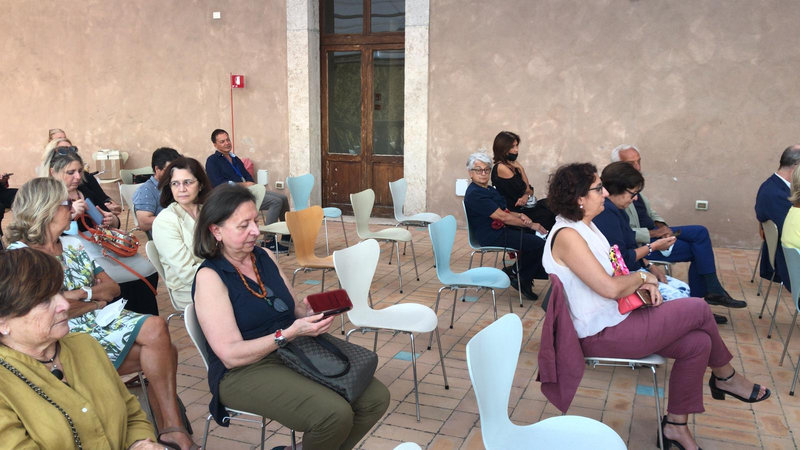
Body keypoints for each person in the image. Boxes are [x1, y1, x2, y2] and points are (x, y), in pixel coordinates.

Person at [545, 162, 770, 450]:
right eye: (598, 189)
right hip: (601, 332)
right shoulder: (568, 235)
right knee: (698, 308)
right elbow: (610, 287)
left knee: (698, 344)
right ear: (579, 197)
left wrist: (642, 281)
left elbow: (616, 271)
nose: (605, 193)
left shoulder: (586, 227)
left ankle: (676, 426)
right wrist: (643, 277)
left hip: (616, 318)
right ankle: (726, 377)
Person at [192, 184, 390, 450]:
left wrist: (308, 314)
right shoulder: (210, 277)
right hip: (243, 370)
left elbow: (292, 308)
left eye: (255, 221)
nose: (255, 231)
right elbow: (230, 355)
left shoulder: (263, 257)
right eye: (243, 226)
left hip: (292, 350)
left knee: (376, 398)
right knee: (333, 415)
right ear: (216, 231)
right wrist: (288, 334)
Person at [6, 178, 197, 449]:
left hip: (100, 320)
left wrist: (81, 296)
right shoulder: (20, 259)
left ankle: (167, 428)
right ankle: (170, 428)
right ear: (45, 208)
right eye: (67, 202)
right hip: (65, 334)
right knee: (164, 350)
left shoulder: (72, 244)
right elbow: (49, 309)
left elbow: (112, 288)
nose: (74, 206)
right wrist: (92, 299)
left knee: (157, 330)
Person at [0, 247, 162, 449]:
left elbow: (131, 413)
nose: (64, 305)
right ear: (3, 323)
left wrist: (139, 443)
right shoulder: (5, 383)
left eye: (59, 292)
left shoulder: (85, 345)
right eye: (44, 300)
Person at [593, 162, 740, 324]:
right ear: (617, 188)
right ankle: (704, 304)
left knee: (696, 245)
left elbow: (641, 228)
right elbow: (622, 258)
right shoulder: (607, 213)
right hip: (631, 271)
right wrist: (653, 247)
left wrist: (651, 265)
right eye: (633, 193)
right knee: (684, 294)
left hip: (640, 262)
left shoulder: (617, 210)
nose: (635, 198)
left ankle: (705, 301)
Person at [613, 144, 745, 307]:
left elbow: (650, 212)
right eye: (631, 164)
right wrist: (654, 235)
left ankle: (703, 300)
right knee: (698, 249)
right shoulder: (616, 192)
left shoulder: (633, 185)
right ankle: (705, 299)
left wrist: (662, 226)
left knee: (699, 233)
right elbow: (624, 234)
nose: (638, 167)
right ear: (617, 166)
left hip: (655, 233)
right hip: (644, 244)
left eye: (639, 162)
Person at [44, 148, 160, 315]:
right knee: (117, 280)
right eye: (70, 172)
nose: (78, 177)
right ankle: (121, 315)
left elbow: (113, 219)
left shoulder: (86, 188)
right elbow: (46, 234)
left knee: (147, 270)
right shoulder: (47, 197)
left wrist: (112, 220)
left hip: (104, 242)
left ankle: (144, 318)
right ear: (53, 172)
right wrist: (70, 216)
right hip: (79, 248)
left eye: (79, 171)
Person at [463, 151, 547, 300]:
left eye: (486, 169)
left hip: (500, 230)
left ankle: (516, 271)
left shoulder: (487, 189)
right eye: (478, 170)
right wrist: (531, 225)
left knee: (535, 237)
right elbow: (502, 217)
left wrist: (519, 215)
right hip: (491, 235)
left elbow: (503, 211)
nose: (483, 173)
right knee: (538, 243)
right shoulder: (475, 193)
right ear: (470, 173)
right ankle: (521, 277)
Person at [205, 129, 290, 253]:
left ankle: (287, 236)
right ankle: (269, 241)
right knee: (275, 202)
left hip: (249, 191)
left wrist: (251, 185)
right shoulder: (212, 161)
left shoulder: (235, 158)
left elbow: (248, 177)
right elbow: (218, 184)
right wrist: (244, 185)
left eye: (228, 140)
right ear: (215, 144)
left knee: (283, 198)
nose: (227, 143)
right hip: (234, 196)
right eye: (222, 141)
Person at [152, 157, 211, 309]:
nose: (181, 189)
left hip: (218, 277)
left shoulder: (208, 212)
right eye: (175, 183)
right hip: (189, 289)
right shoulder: (165, 221)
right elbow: (187, 274)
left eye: (188, 182)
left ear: (200, 185)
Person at [755, 145, 800, 291]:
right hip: (786, 262)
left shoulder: (774, 186)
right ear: (796, 166)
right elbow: (791, 231)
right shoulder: (776, 194)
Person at [490, 131, 556, 230]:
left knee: (552, 203)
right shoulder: (502, 168)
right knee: (548, 211)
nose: (516, 150)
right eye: (512, 147)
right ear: (503, 149)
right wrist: (521, 170)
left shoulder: (512, 165)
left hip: (524, 207)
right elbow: (526, 189)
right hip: (514, 212)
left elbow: (529, 190)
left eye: (517, 145)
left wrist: (526, 195)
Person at [133, 147, 181, 234]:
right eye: (170, 170)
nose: (174, 174)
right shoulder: (146, 190)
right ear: (157, 169)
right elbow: (144, 223)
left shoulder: (177, 185)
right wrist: (178, 220)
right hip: (165, 235)